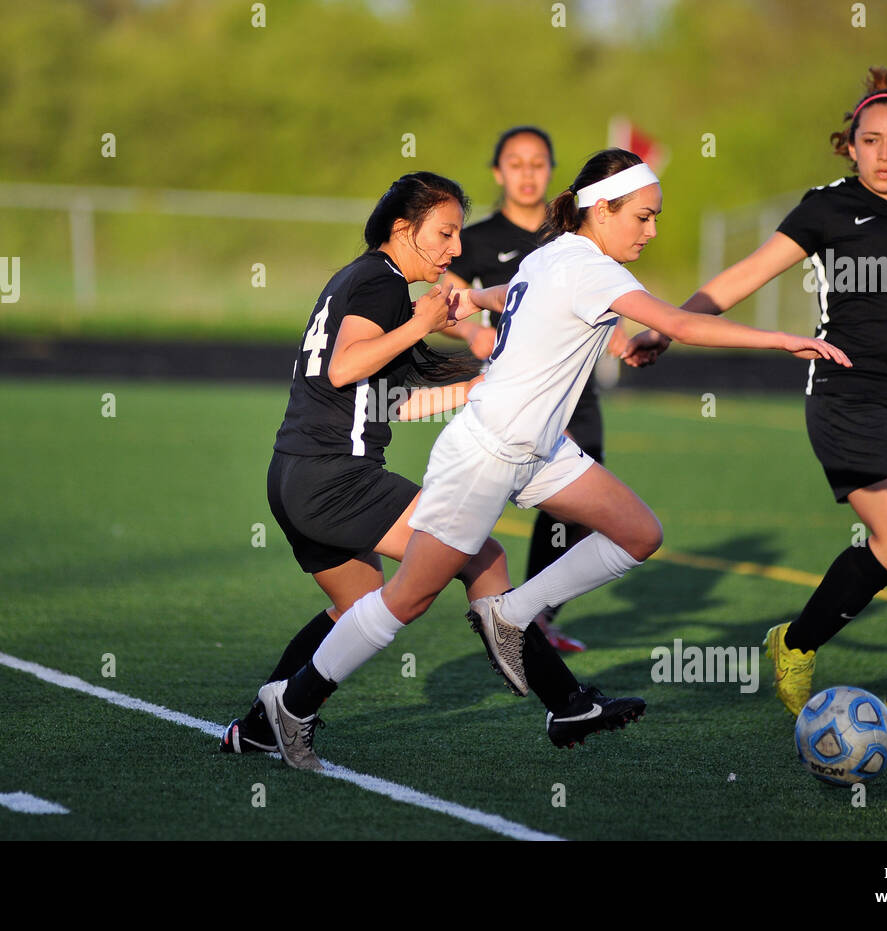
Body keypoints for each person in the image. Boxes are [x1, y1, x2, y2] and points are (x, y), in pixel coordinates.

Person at [258, 148, 851, 770]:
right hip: (487, 453)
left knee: (639, 533)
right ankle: (292, 705)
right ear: (603, 209)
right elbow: (683, 322)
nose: (652, 230)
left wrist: (468, 303)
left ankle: (513, 618)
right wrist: (785, 339)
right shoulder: (589, 269)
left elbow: (507, 292)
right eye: (644, 217)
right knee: (405, 599)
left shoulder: (554, 256)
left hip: (539, 447)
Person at [618, 67, 887, 733]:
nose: (885, 153)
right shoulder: (826, 206)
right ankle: (795, 642)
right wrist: (667, 328)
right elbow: (745, 274)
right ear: (849, 145)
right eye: (871, 140)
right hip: (846, 394)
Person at [221, 172, 632, 758]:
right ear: (402, 229)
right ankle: (566, 705)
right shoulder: (380, 284)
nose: (456, 249)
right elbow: (344, 368)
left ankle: (260, 729)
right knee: (482, 556)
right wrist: (418, 324)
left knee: (352, 610)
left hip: (293, 475)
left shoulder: (359, 281)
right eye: (444, 233)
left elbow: (395, 400)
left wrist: (479, 387)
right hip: (339, 479)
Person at [443, 125, 618, 654]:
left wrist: (623, 337)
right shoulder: (477, 239)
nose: (527, 173)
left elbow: (604, 296)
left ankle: (534, 617)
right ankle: (486, 600)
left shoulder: (569, 239)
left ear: (551, 171)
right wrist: (472, 328)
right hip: (514, 396)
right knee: (481, 503)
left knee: (580, 510)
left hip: (574, 393)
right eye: (515, 164)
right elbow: (442, 296)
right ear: (498, 172)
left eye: (538, 163)